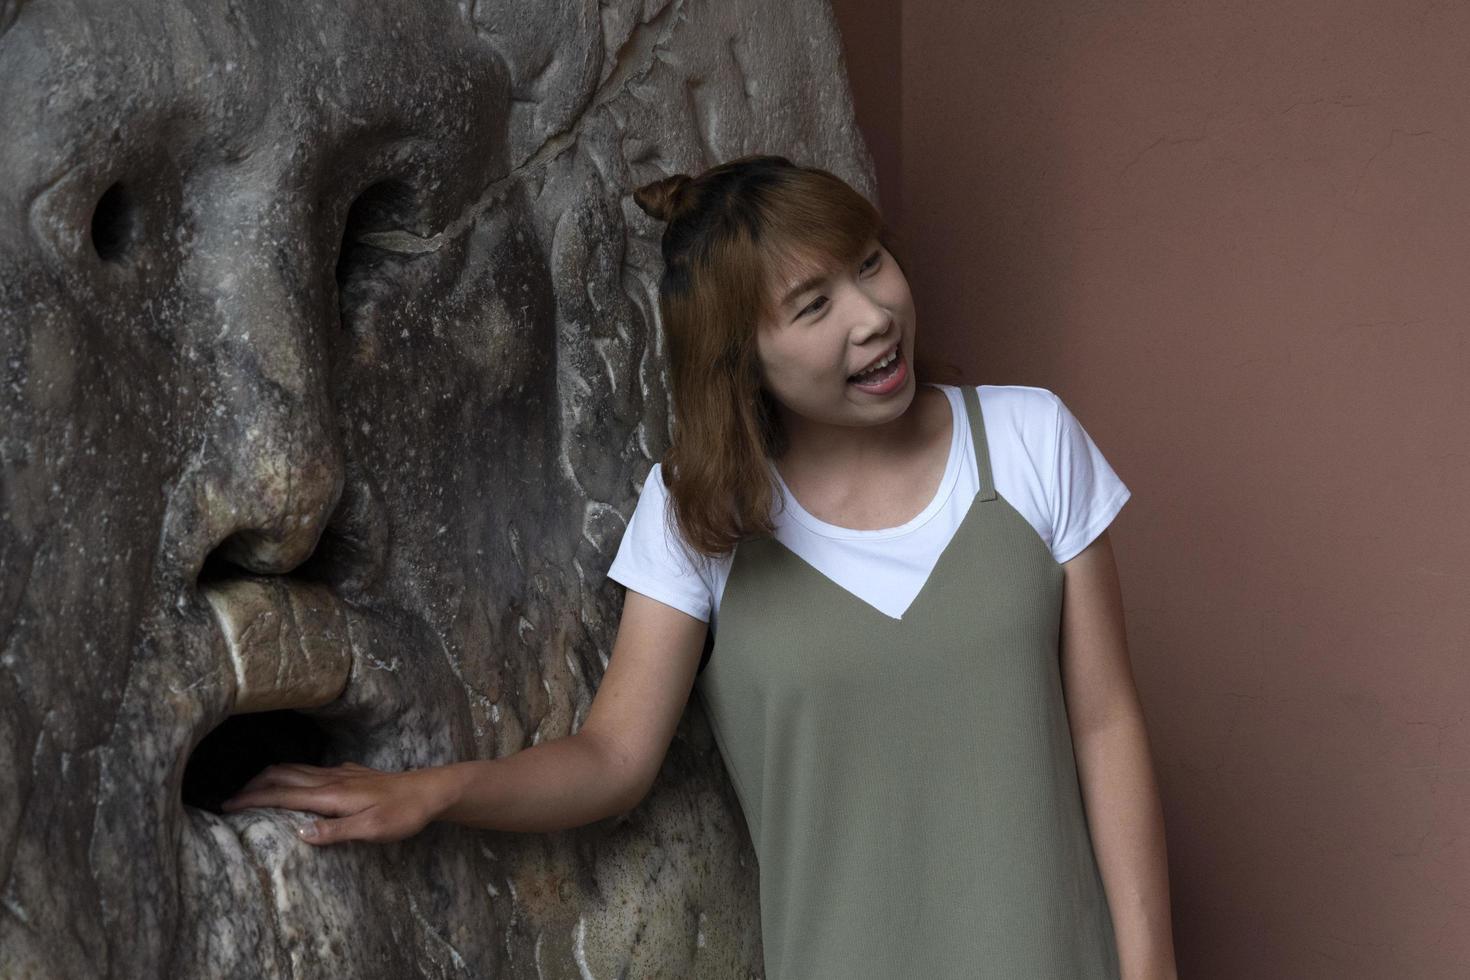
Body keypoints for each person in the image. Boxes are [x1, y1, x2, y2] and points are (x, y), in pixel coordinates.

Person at [222, 154, 1178, 979]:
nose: (874, 316)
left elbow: (1105, 724)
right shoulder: (698, 515)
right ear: (741, 360)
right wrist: (435, 790)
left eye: (871, 263)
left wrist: (1152, 970)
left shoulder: (1029, 441)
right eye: (814, 305)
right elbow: (612, 759)